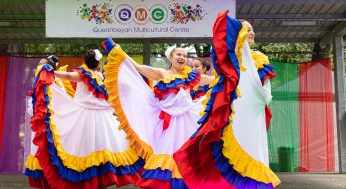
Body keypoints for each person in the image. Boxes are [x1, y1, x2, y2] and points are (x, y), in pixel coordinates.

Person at [173, 11, 280, 189]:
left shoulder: (260, 58)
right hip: (235, 111)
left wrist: (261, 100)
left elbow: (265, 89)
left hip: (254, 111)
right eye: (247, 30)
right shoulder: (230, 60)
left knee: (252, 146)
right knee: (230, 148)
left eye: (252, 30)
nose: (251, 33)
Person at [102, 38, 214, 189]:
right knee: (167, 153)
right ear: (171, 57)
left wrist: (228, 73)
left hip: (187, 119)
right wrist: (120, 53)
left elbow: (211, 80)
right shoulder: (162, 73)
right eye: (179, 54)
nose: (182, 57)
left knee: (188, 153)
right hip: (168, 122)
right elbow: (137, 67)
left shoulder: (191, 76)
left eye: (185, 55)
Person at [24, 50, 144, 189]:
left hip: (86, 118)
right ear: (98, 62)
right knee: (104, 155)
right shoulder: (103, 77)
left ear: (85, 62)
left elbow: (68, 76)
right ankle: (100, 184)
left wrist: (52, 72)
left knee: (84, 153)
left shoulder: (84, 75)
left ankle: (91, 183)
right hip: (105, 120)